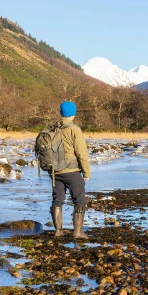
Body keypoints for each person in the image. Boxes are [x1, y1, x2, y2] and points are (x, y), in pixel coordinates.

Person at [51, 101, 91, 238]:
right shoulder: (74, 129)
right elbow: (81, 152)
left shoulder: (54, 128)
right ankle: (78, 232)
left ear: (61, 113)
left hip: (55, 171)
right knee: (79, 200)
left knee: (57, 200)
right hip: (71, 171)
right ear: (73, 113)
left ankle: (58, 231)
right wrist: (86, 172)